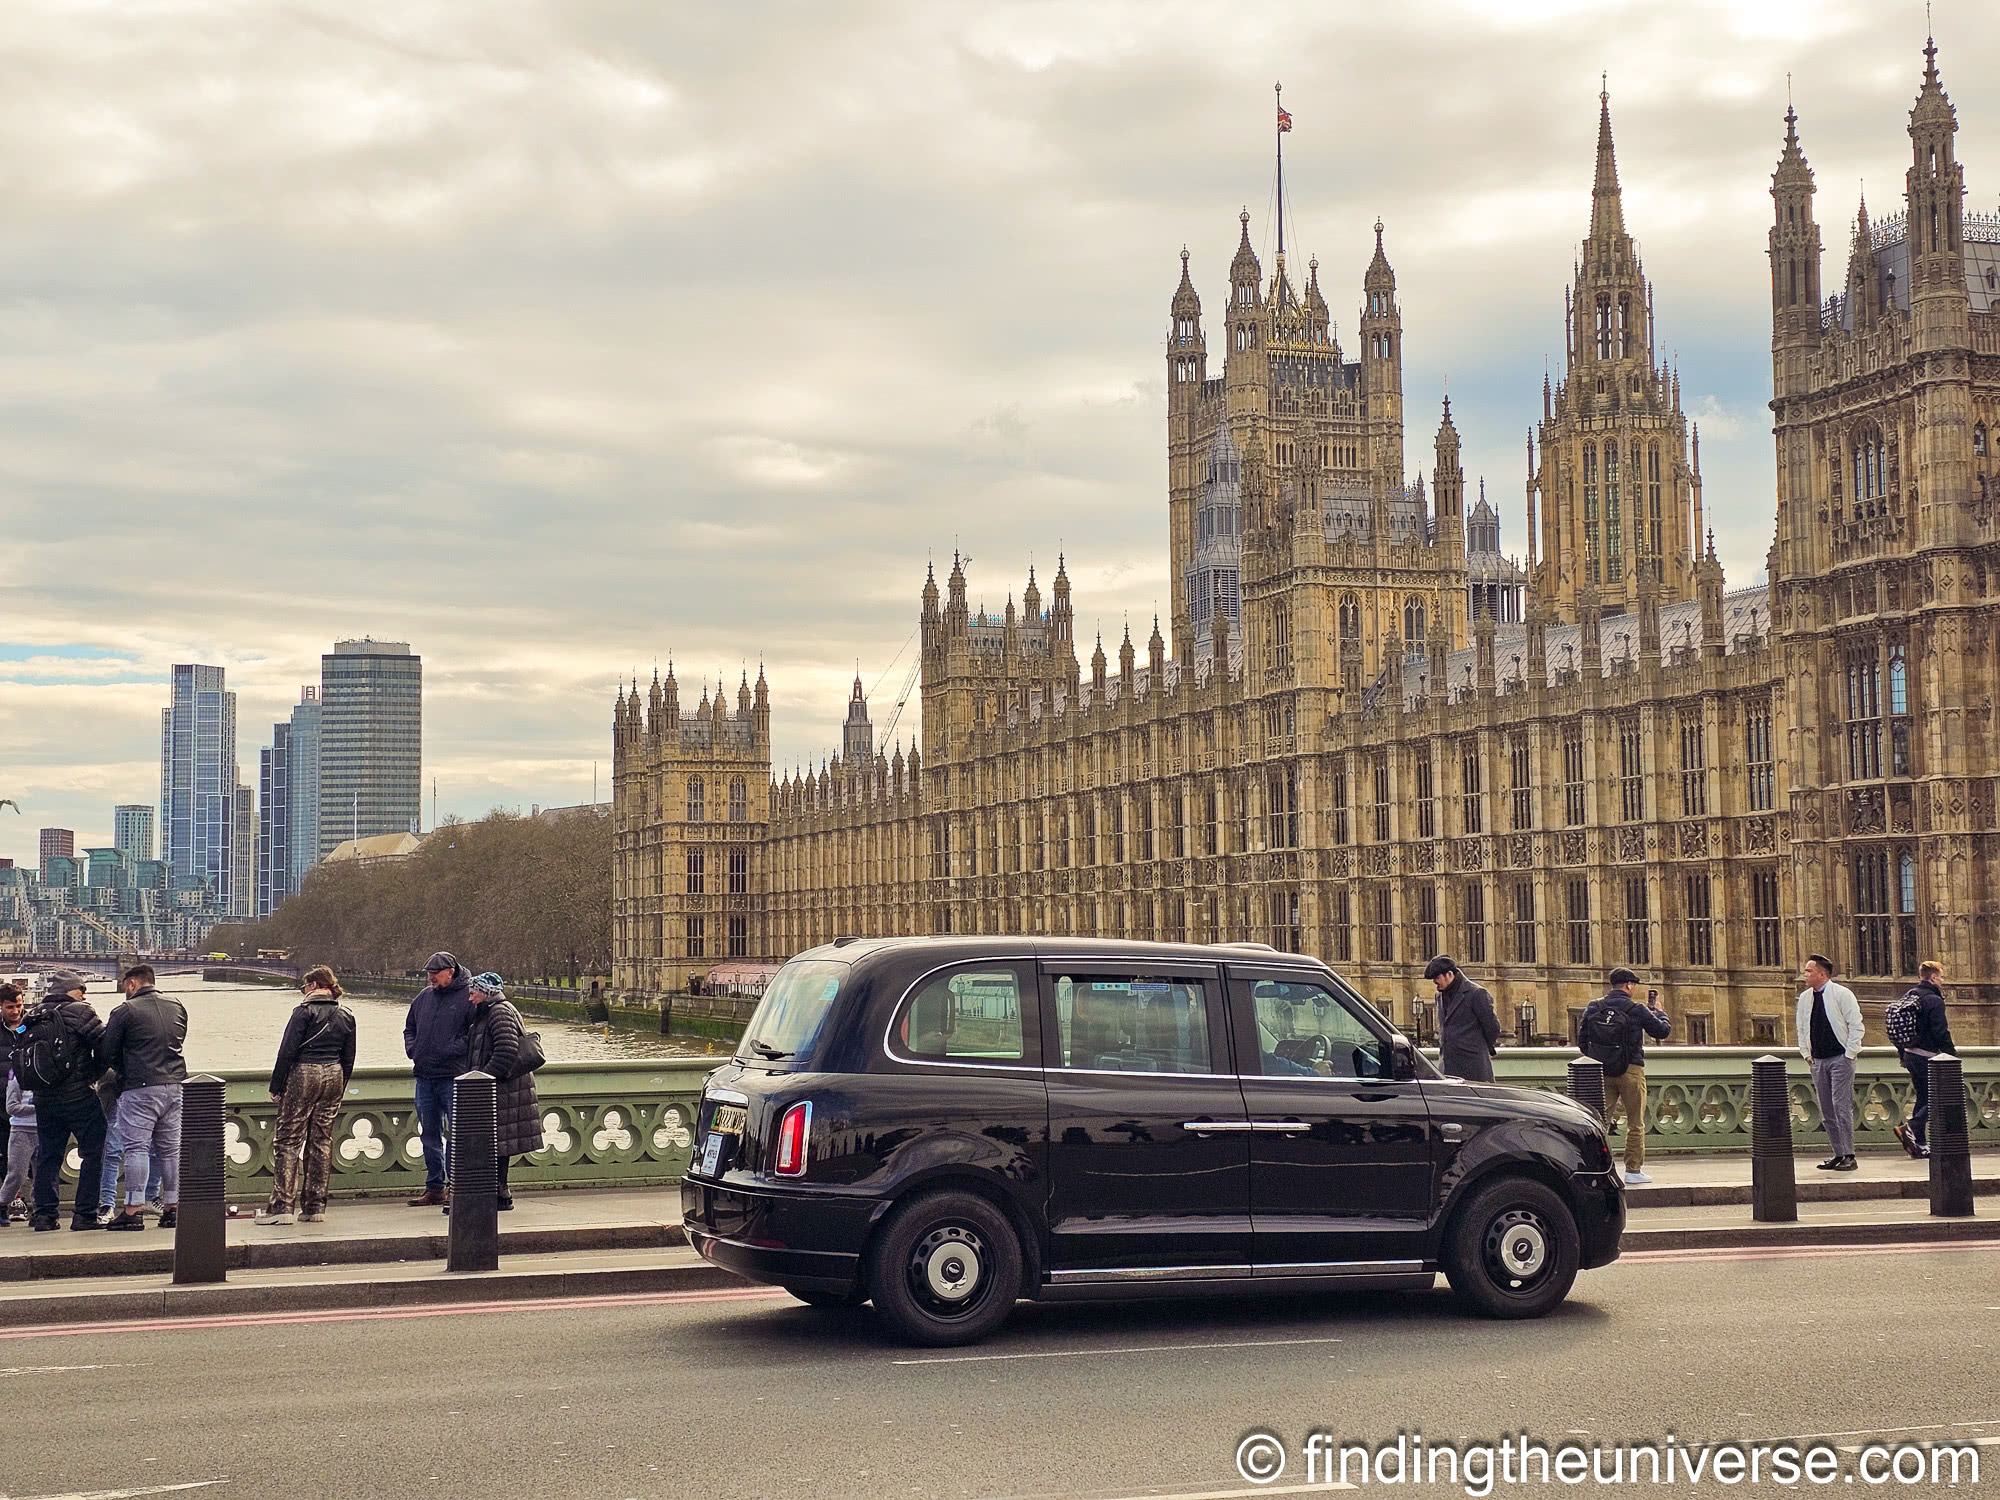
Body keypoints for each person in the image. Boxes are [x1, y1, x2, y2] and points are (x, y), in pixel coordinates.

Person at [257, 965, 357, 1226]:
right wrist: (340, 1086)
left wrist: (276, 1086)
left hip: (305, 1072)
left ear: (313, 986)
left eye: (304, 987)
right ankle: (315, 1206)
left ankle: (282, 1206)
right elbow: (349, 1058)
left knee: (288, 1141)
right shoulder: (346, 1014)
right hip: (334, 1073)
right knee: (321, 1140)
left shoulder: (302, 1013)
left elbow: (286, 1052)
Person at [98, 965, 188, 1231]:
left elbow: (107, 1052)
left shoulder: (125, 1011)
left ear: (132, 983)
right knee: (171, 1150)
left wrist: (122, 1072)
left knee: (136, 1148)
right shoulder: (177, 1006)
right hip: (174, 1085)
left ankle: (133, 1209)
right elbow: (179, 1040)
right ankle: (173, 1208)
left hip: (139, 1087)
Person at [23, 971, 106, 1231]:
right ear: (72, 990)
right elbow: (106, 1045)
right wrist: (93, 1075)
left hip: (44, 1098)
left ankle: (45, 1215)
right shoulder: (81, 1011)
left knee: (48, 1154)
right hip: (78, 1096)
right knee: (94, 1151)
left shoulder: (31, 1015)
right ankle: (85, 1215)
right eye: (81, 989)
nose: (84, 994)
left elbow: (20, 1044)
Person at [1577, 968, 1673, 1186]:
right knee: (1635, 1123)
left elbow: (1582, 1041)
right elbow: (1662, 1031)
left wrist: (1600, 1058)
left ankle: (1597, 1167)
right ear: (1629, 985)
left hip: (1601, 1071)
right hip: (1631, 1070)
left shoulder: (1594, 1006)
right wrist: (1660, 1012)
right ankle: (1633, 1170)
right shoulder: (1636, 1009)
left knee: (1599, 1123)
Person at [403, 952, 472, 1207]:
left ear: (450, 972)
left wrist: (447, 1050)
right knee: (429, 1134)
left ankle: (456, 1187)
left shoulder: (468, 998)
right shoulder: (424, 998)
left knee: (456, 1135)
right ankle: (435, 1187)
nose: (430, 978)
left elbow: (473, 1035)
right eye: (428, 974)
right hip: (424, 1076)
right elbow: (409, 1027)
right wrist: (414, 1049)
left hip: (453, 1077)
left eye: (434, 974)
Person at [465, 973, 538, 1212]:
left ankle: (500, 1191)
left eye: (473, 992)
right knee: (498, 1141)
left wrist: (482, 1079)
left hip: (504, 1088)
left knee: (497, 1141)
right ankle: (497, 1191)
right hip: (503, 1087)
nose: (470, 997)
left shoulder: (498, 1012)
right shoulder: (491, 1011)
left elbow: (506, 1051)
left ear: (485, 992)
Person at [1795, 953, 1862, 1172]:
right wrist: (1806, 1054)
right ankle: (1838, 1152)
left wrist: (1850, 1053)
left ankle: (1849, 1155)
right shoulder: (1805, 997)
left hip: (1840, 1059)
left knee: (1840, 1106)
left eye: (1809, 971)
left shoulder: (1842, 994)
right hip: (1818, 1061)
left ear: (1822, 974)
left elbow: (1856, 1025)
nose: (1805, 974)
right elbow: (1802, 1028)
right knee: (1826, 1110)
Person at [1891, 960, 1957, 1160]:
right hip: (1927, 1056)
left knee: (1923, 1097)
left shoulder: (1911, 995)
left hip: (1910, 1054)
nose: (1943, 981)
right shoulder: (1934, 1000)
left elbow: (1901, 1028)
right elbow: (1940, 1032)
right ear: (1934, 977)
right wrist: (1952, 1056)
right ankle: (1910, 1127)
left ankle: (1919, 1143)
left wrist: (1903, 1054)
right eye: (1942, 977)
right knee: (1938, 1097)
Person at [1424, 955, 1500, 1083]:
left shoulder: (1476, 994)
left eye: (1437, 978)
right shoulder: (1439, 997)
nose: (1435, 983)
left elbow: (1493, 1029)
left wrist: (1474, 1047)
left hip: (1473, 1068)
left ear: (1449, 974)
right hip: (1447, 1069)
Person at [0, 984, 34, 1224]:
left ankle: (22, 1201)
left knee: (27, 1161)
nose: (16, 1011)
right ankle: (11, 1202)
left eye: (19, 1005)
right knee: (6, 1158)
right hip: (2, 1102)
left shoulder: (30, 1027)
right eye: (10, 1007)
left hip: (27, 1104)